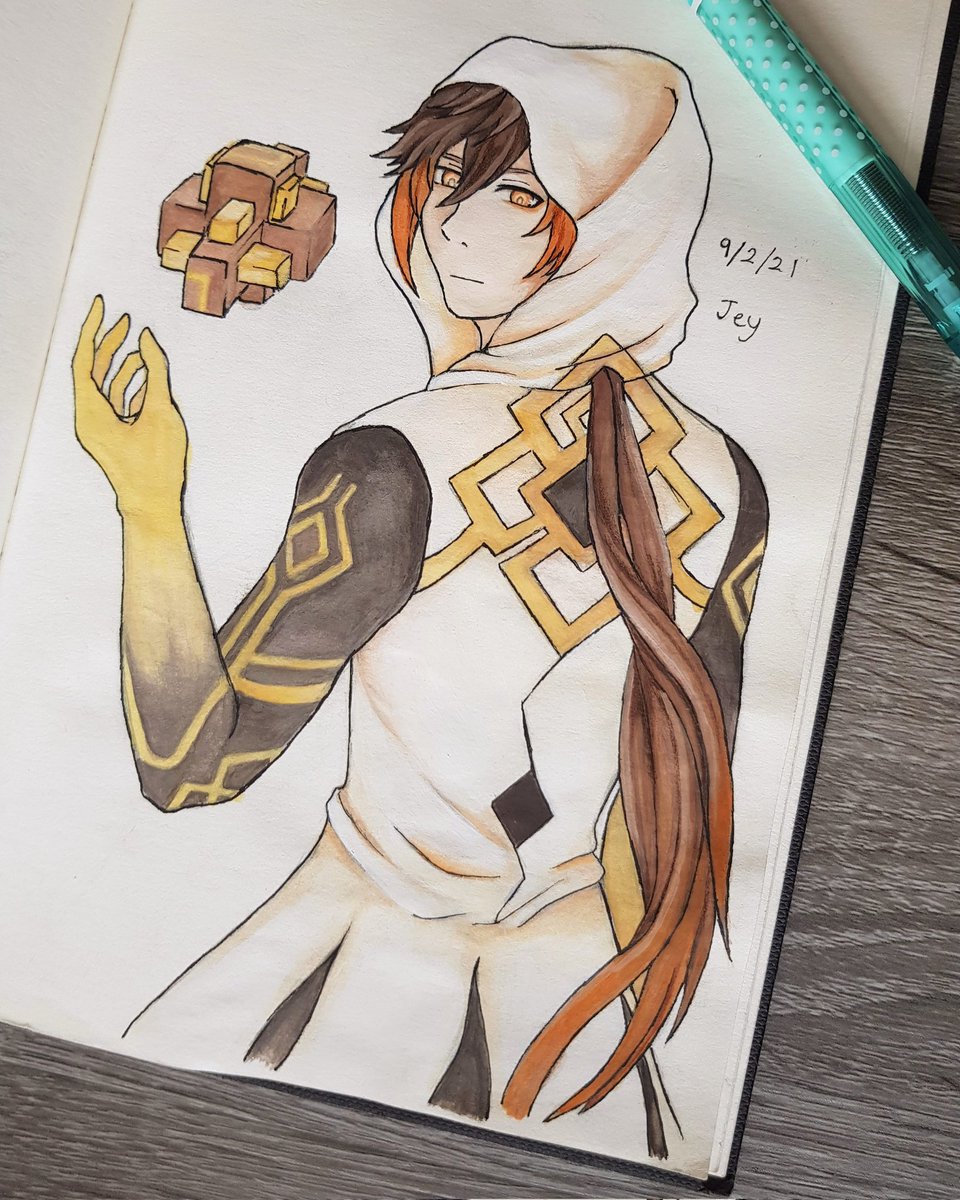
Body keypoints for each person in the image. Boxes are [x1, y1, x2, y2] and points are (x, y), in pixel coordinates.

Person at [71, 37, 768, 1161]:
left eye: (521, 194)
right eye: (447, 176)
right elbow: (678, 821)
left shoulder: (393, 459)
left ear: (622, 221)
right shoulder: (731, 480)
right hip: (582, 1015)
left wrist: (147, 498)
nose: (455, 222)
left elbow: (189, 767)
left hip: (344, 971)